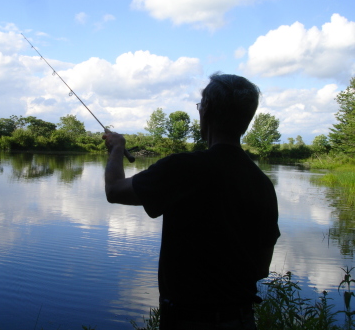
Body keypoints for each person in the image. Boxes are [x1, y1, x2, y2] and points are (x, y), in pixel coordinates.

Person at [102, 73, 280, 330]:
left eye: (199, 105)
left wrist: (117, 148)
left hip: (187, 321)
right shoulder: (262, 184)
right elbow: (262, 268)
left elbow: (115, 191)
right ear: (247, 119)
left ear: (206, 109)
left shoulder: (184, 168)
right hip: (241, 320)